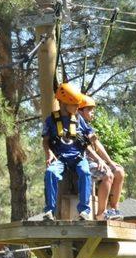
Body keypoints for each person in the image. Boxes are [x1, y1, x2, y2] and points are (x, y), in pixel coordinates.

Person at [42, 83, 104, 221]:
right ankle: (49, 211)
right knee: (50, 173)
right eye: (75, 105)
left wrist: (94, 143)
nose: (78, 107)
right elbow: (45, 140)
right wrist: (49, 153)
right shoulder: (51, 120)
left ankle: (84, 211)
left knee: (85, 172)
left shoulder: (78, 119)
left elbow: (89, 134)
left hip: (78, 157)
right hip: (60, 158)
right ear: (64, 103)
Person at [78, 94, 125, 220]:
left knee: (119, 172)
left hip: (94, 161)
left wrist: (109, 161)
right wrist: (100, 161)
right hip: (82, 162)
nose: (93, 113)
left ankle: (114, 210)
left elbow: (97, 144)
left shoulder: (88, 127)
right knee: (107, 174)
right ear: (80, 110)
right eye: (89, 110)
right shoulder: (76, 125)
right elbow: (85, 148)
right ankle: (101, 214)